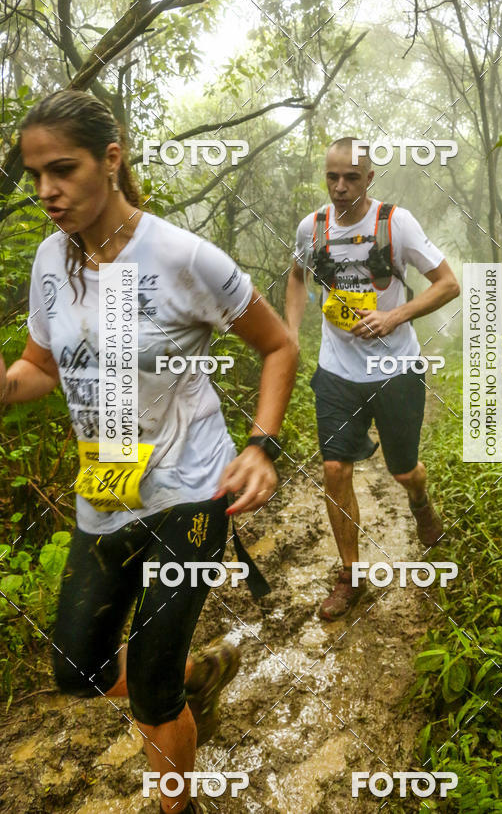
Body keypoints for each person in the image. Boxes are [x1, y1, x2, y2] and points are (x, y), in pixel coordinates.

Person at [0, 90, 298, 814]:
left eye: (62, 169)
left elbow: (278, 345)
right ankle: (199, 672)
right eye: (34, 174)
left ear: (112, 157)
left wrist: (261, 444)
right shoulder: (49, 259)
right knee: (78, 671)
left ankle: (179, 801)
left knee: (152, 689)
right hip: (106, 493)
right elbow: (41, 367)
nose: (46, 191)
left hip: (193, 490)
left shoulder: (183, 257)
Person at [285, 137, 460, 621]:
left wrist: (396, 316)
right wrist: (291, 332)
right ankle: (351, 576)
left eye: (351, 178)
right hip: (337, 370)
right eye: (332, 177)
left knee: (404, 471)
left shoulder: (394, 223)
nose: (340, 188)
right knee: (335, 470)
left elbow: (449, 283)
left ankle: (420, 500)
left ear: (369, 178)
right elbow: (296, 277)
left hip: (395, 367)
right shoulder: (311, 228)